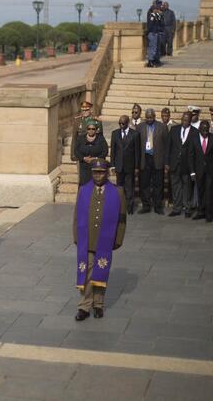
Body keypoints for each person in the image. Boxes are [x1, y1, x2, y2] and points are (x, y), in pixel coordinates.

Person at [72, 159, 126, 321]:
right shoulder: (83, 190)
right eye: (95, 172)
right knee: (87, 271)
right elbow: (76, 215)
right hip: (86, 239)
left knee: (101, 270)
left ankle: (98, 304)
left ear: (107, 173)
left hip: (105, 239)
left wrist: (118, 238)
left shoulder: (117, 192)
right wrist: (76, 236)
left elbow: (122, 219)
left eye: (101, 172)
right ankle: (84, 306)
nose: (98, 176)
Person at [166, 112, 199, 217]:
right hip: (174, 164)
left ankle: (187, 209)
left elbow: (195, 151)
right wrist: (166, 162)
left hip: (187, 165)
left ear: (190, 121)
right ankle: (176, 208)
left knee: (187, 187)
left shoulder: (195, 132)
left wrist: (193, 168)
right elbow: (168, 147)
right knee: (176, 187)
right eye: (183, 119)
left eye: (187, 120)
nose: (184, 122)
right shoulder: (174, 129)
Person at [188, 120, 213, 222]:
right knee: (200, 191)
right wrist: (192, 172)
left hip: (211, 171)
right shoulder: (194, 139)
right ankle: (201, 212)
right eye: (203, 129)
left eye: (207, 129)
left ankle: (209, 214)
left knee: (209, 192)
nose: (205, 131)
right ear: (199, 129)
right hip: (198, 171)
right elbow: (191, 156)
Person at [138, 108, 168, 215]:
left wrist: (166, 161)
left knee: (158, 184)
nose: (149, 119)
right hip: (145, 158)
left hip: (157, 159)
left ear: (155, 117)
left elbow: (166, 145)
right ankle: (146, 205)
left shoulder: (162, 127)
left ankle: (158, 206)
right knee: (144, 183)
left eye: (151, 117)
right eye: (147, 117)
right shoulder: (140, 127)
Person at [110, 116, 141, 214]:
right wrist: (113, 165)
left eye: (123, 123)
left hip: (129, 165)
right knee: (119, 187)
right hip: (119, 165)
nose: (121, 125)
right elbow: (113, 151)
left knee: (129, 187)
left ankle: (129, 207)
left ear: (127, 123)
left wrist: (136, 166)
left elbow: (137, 152)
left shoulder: (135, 134)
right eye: (119, 123)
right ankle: (119, 207)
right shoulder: (115, 134)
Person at [74, 121, 109, 186]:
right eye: (89, 129)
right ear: (86, 129)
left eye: (93, 129)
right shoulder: (81, 138)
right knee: (84, 184)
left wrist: (95, 158)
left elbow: (105, 151)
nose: (91, 130)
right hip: (84, 166)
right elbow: (76, 151)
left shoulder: (101, 139)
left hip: (96, 166)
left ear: (96, 130)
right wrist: (83, 158)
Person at [146, 1, 164, 67]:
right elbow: (151, 24)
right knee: (152, 47)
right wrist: (151, 31)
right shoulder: (152, 14)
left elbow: (161, 23)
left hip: (158, 32)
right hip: (153, 33)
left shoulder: (158, 14)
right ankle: (151, 61)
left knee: (157, 48)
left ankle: (156, 60)